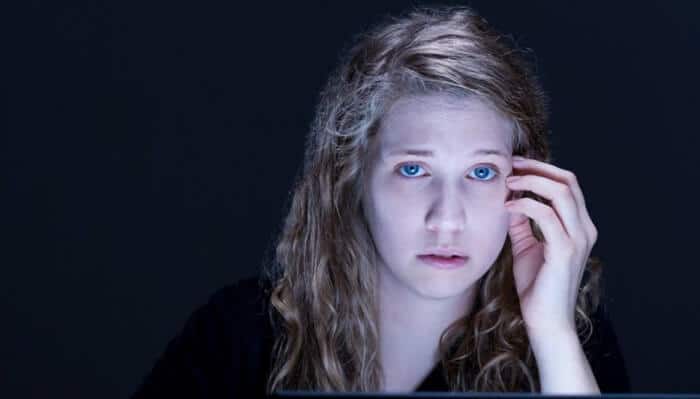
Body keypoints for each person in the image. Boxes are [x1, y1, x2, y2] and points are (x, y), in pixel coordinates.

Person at [131, 5, 630, 397]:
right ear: (352, 176)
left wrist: (553, 334)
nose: (447, 219)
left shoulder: (567, 336)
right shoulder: (242, 336)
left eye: (482, 172)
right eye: (413, 169)